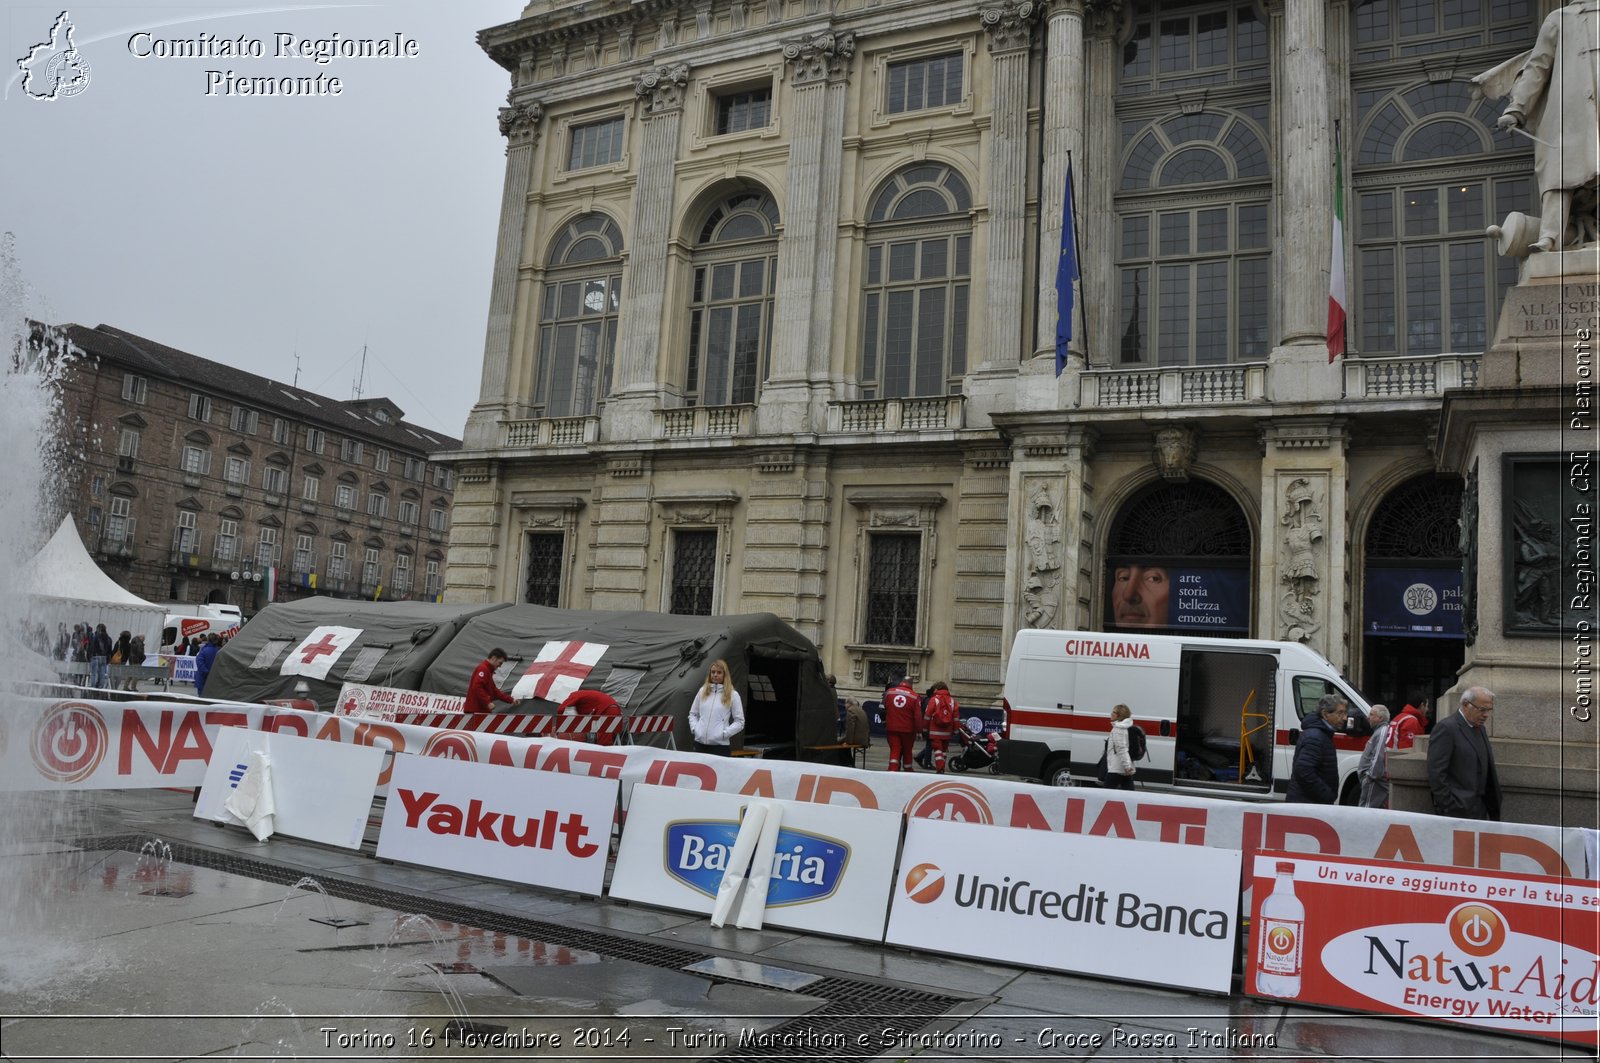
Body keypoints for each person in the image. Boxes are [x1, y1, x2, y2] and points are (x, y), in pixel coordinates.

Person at [1475, 1, 1600, 253]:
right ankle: (1550, 237)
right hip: (1571, 110)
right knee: (1559, 171)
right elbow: (1538, 66)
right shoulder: (1560, 18)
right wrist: (1516, 109)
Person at [1428, 686, 1502, 821]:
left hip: (1481, 809)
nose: (1486, 715)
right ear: (1466, 705)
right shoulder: (1446, 728)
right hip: (1456, 811)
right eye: (1482, 710)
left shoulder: (1480, 729)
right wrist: (1450, 805)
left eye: (1489, 710)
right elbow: (1436, 773)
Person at [1286, 694, 1346, 804]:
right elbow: (1303, 770)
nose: (1344, 718)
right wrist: (1326, 795)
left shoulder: (1322, 734)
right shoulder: (1315, 737)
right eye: (1340, 713)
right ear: (1325, 714)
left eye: (1344, 713)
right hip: (1307, 805)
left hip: (1308, 803)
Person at [688, 658, 744, 755]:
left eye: (719, 672)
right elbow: (693, 714)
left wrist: (724, 734)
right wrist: (695, 729)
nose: (715, 675)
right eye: (713, 672)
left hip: (720, 747)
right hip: (699, 744)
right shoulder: (702, 691)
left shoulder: (733, 695)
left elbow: (740, 721)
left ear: (724, 675)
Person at [882, 675, 922, 772]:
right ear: (911, 684)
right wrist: (919, 731)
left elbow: (884, 709)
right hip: (908, 730)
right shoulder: (915, 696)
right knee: (907, 750)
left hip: (892, 727)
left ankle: (892, 769)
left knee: (895, 749)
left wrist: (885, 722)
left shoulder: (889, 693)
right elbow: (917, 716)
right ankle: (908, 770)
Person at [560, 688, 624, 746]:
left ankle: (603, 755)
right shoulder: (586, 700)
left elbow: (561, 709)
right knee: (609, 736)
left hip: (608, 710)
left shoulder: (574, 695)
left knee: (604, 739)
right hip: (613, 708)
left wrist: (560, 721)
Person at [1357, 704, 1392, 809]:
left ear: (1380, 718)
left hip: (1373, 782)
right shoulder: (1379, 731)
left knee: (1366, 811)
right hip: (1372, 781)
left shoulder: (1382, 732)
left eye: (1371, 715)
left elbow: (1378, 756)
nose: (1368, 717)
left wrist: (1370, 777)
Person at [923, 682, 960, 774]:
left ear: (937, 689)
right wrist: (956, 729)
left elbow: (927, 715)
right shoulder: (952, 701)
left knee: (937, 750)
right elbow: (956, 718)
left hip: (935, 730)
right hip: (947, 730)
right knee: (944, 750)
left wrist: (924, 728)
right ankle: (942, 766)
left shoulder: (934, 699)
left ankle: (940, 768)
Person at [465, 648, 517, 713]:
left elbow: (494, 691)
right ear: (494, 658)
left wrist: (511, 700)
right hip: (476, 711)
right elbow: (477, 687)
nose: (500, 666)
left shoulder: (488, 671)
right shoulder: (483, 669)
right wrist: (487, 703)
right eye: (500, 663)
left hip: (479, 711)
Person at [1102, 703, 1136, 790]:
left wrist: (1127, 766)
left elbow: (1122, 748)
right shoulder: (1126, 727)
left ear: (1119, 715)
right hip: (1123, 767)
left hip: (1117, 767)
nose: (1111, 714)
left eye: (1114, 712)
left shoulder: (1118, 729)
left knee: (1105, 793)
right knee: (1129, 794)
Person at [193, 633, 220, 697]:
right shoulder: (219, 651)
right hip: (214, 680)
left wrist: (207, 673)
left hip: (202, 679)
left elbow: (200, 663)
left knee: (202, 699)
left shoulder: (203, 650)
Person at [88, 623, 113, 689]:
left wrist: (89, 656)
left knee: (94, 673)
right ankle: (100, 686)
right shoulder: (108, 638)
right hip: (104, 657)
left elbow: (91, 647)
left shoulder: (95, 636)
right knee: (102, 673)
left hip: (95, 656)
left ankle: (93, 687)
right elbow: (110, 650)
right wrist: (108, 659)